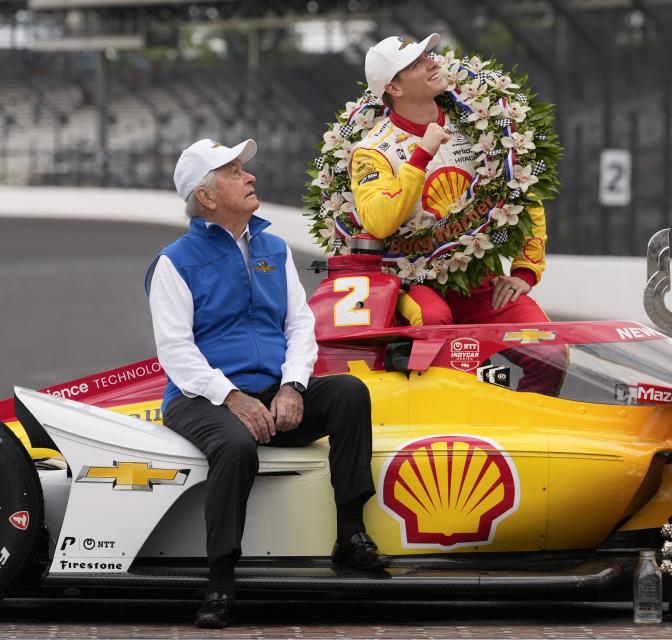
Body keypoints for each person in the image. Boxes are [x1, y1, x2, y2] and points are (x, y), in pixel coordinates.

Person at [146, 139, 389, 629]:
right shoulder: (174, 262)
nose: (249, 176)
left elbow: (300, 326)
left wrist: (293, 387)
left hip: (272, 394)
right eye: (234, 171)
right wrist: (231, 397)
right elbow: (175, 352)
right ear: (208, 197)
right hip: (199, 400)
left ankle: (350, 536)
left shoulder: (274, 249)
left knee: (348, 394)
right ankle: (220, 580)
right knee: (236, 447)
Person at [350, 34, 550, 328]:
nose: (433, 62)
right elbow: (378, 221)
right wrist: (421, 155)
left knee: (548, 348)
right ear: (393, 87)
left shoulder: (479, 122)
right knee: (433, 320)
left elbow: (521, 193)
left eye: (428, 55)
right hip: (413, 281)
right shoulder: (371, 151)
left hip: (479, 277)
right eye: (417, 63)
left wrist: (525, 271)